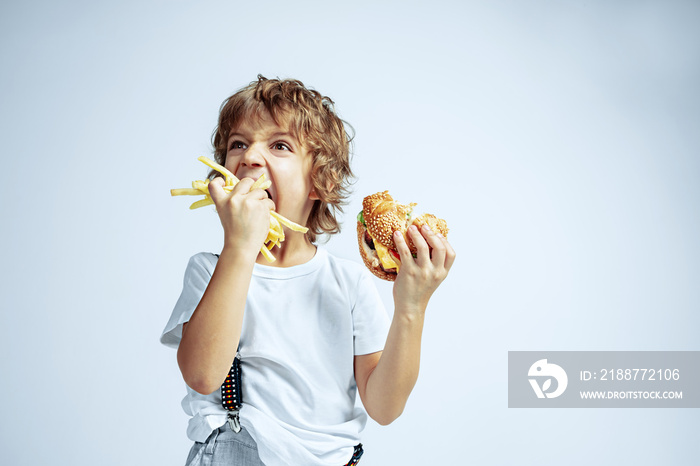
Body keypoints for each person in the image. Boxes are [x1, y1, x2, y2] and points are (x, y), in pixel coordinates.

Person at [161, 75, 456, 466]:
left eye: (279, 145)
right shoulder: (209, 271)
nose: (249, 157)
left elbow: (384, 407)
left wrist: (411, 307)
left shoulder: (347, 283)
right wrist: (239, 246)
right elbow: (202, 375)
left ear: (318, 182)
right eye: (238, 144)